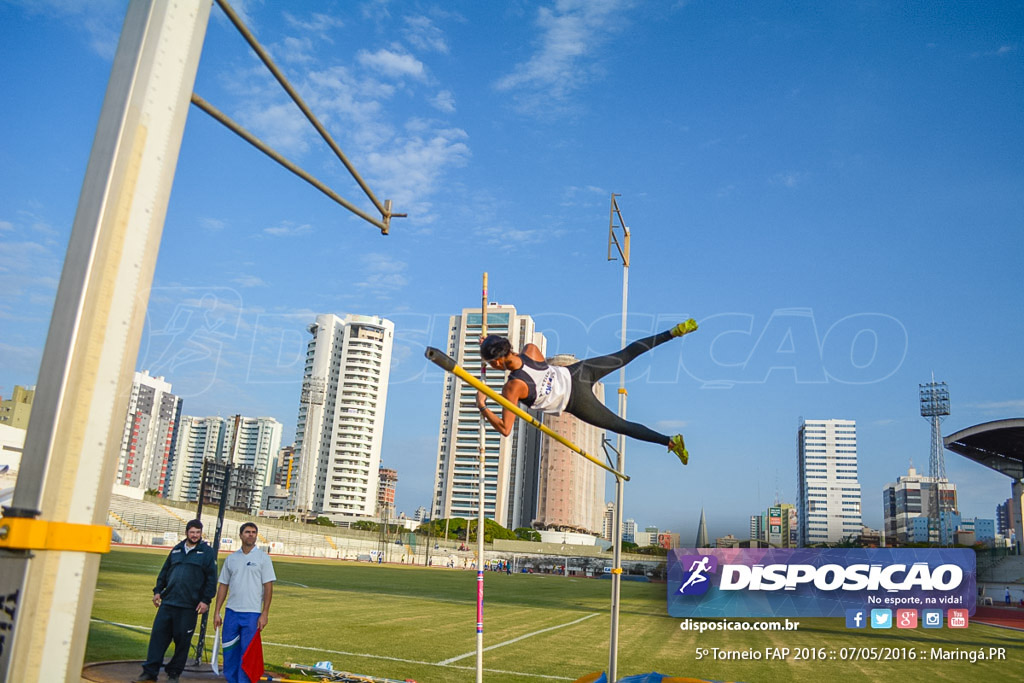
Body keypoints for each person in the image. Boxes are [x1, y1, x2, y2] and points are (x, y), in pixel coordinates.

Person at [476, 319, 699, 465]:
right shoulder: (530, 350)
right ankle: (671, 333)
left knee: (621, 426)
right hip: (577, 372)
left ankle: (671, 441)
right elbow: (532, 368)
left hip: (575, 400)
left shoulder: (512, 387)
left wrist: (483, 406)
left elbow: (506, 429)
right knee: (625, 354)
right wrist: (489, 345)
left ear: (496, 363)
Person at [134, 519, 216, 683]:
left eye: (198, 532)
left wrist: (206, 600)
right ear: (187, 532)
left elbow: (211, 579)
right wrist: (158, 591)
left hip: (189, 606)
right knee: (157, 638)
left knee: (182, 642)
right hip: (168, 603)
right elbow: (164, 572)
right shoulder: (177, 549)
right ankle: (150, 672)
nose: (195, 535)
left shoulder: (206, 552)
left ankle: (174, 674)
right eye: (192, 532)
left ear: (201, 533)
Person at [213, 522, 276, 683]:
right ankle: (231, 680)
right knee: (230, 651)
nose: (251, 535)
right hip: (232, 612)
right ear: (241, 535)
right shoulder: (231, 559)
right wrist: (217, 611)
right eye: (247, 532)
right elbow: (223, 586)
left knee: (247, 654)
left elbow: (268, 587)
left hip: (252, 614)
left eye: (254, 532)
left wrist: (265, 613)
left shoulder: (263, 558)